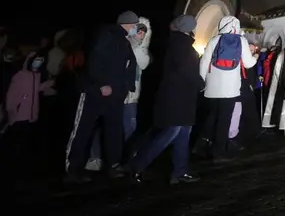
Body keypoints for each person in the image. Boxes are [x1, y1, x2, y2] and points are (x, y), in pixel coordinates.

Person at [65, 11, 138, 183]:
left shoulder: (124, 41)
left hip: (115, 95)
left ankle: (112, 165)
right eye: (135, 25)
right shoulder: (107, 35)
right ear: (127, 24)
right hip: (95, 92)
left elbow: (126, 66)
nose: (136, 28)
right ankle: (72, 169)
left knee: (113, 130)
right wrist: (101, 83)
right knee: (82, 129)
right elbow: (94, 61)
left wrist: (125, 88)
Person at [130, 15, 203, 184]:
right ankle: (137, 165)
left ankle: (180, 171)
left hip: (182, 97)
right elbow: (186, 69)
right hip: (177, 97)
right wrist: (201, 83)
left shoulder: (179, 42)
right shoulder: (180, 43)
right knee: (170, 133)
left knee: (183, 134)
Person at [87, 19, 151, 171]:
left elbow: (143, 63)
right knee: (104, 127)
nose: (139, 33)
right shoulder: (116, 43)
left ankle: (123, 159)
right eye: (136, 29)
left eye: (143, 31)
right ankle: (95, 157)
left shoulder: (140, 50)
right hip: (113, 94)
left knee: (128, 128)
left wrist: (136, 45)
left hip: (131, 97)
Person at [199, 16, 256, 161]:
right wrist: (255, 56)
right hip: (230, 89)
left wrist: (202, 81)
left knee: (212, 116)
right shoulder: (241, 41)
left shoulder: (214, 40)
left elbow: (204, 62)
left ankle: (202, 145)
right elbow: (248, 64)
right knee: (224, 120)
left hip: (212, 88)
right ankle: (218, 152)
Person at [262, 39, 285, 129]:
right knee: (277, 103)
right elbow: (279, 70)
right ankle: (275, 121)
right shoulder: (282, 55)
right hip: (280, 83)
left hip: (283, 82)